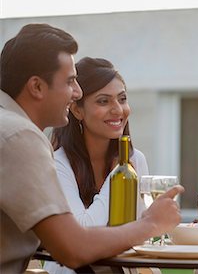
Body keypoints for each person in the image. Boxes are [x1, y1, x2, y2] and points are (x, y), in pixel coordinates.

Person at [0, 23, 183, 273]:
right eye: (70, 82)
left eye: (122, 98)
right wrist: (151, 224)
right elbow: (73, 248)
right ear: (37, 87)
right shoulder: (20, 137)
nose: (76, 93)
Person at [44, 57, 149, 273]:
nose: (118, 110)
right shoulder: (58, 163)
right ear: (77, 110)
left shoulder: (137, 159)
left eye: (122, 99)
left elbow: (140, 231)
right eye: (103, 101)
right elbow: (82, 233)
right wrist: (118, 174)